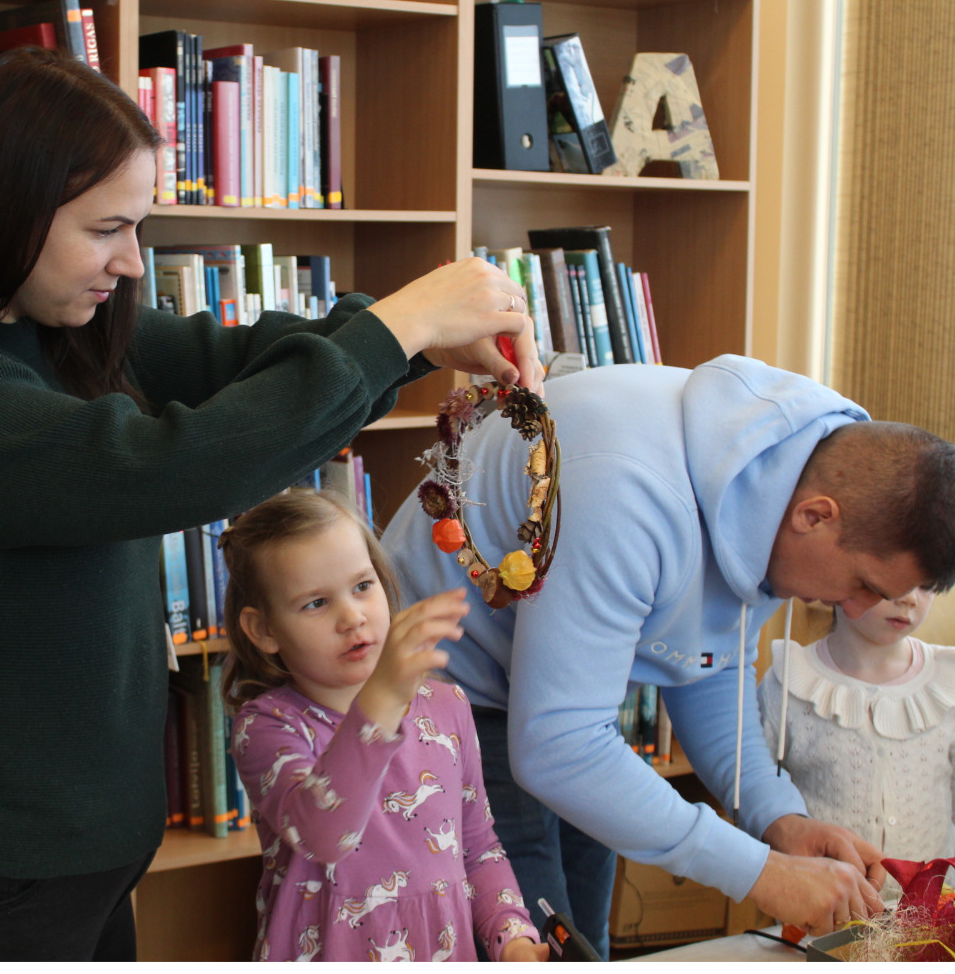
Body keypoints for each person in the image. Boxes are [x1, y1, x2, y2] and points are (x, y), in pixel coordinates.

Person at [0, 47, 542, 961]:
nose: (130, 262)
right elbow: (175, 467)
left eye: (138, 226)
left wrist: (419, 342)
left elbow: (234, 363)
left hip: (71, 866)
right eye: (107, 228)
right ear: (8, 214)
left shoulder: (58, 325)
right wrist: (404, 325)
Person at [381, 355, 955, 956]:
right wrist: (761, 873)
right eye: (864, 584)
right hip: (444, 686)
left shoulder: (782, 487)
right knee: (532, 945)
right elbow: (557, 747)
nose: (860, 608)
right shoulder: (627, 491)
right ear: (815, 517)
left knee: (584, 938)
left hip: (550, 694)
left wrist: (779, 819)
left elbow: (709, 664)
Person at [219, 487, 548, 962]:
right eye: (316, 603)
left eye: (362, 586)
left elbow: (477, 847)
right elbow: (325, 835)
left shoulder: (448, 706)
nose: (351, 617)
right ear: (264, 630)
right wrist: (382, 701)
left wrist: (513, 937)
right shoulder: (267, 727)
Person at [759, 589, 955, 904]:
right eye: (895, 577)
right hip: (820, 911)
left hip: (932, 917)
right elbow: (757, 795)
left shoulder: (947, 682)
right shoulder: (789, 682)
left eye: (926, 582)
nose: (909, 598)